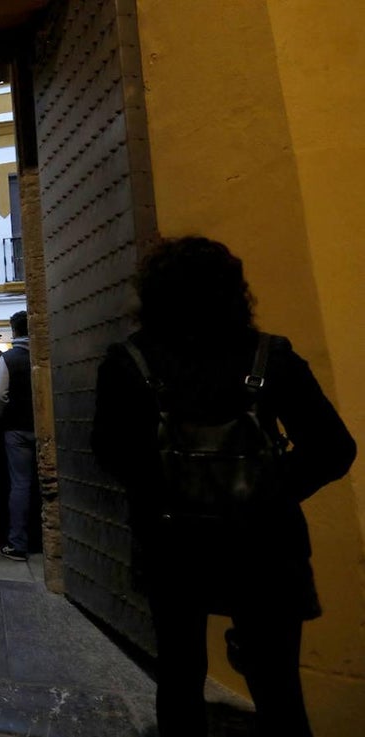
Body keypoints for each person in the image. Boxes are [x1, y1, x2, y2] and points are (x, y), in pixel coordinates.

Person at [91, 236, 356, 737]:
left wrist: (168, 491)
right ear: (235, 291)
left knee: (178, 678)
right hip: (265, 544)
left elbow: (111, 452)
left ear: (152, 293)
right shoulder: (271, 357)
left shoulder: (128, 362)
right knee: (278, 688)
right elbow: (334, 449)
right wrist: (265, 492)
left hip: (173, 544)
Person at [0, 311, 36, 561]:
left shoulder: (8, 358)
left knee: (20, 483)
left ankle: (17, 542)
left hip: (16, 429)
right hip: (42, 425)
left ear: (14, 330)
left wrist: (3, 416)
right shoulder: (47, 352)